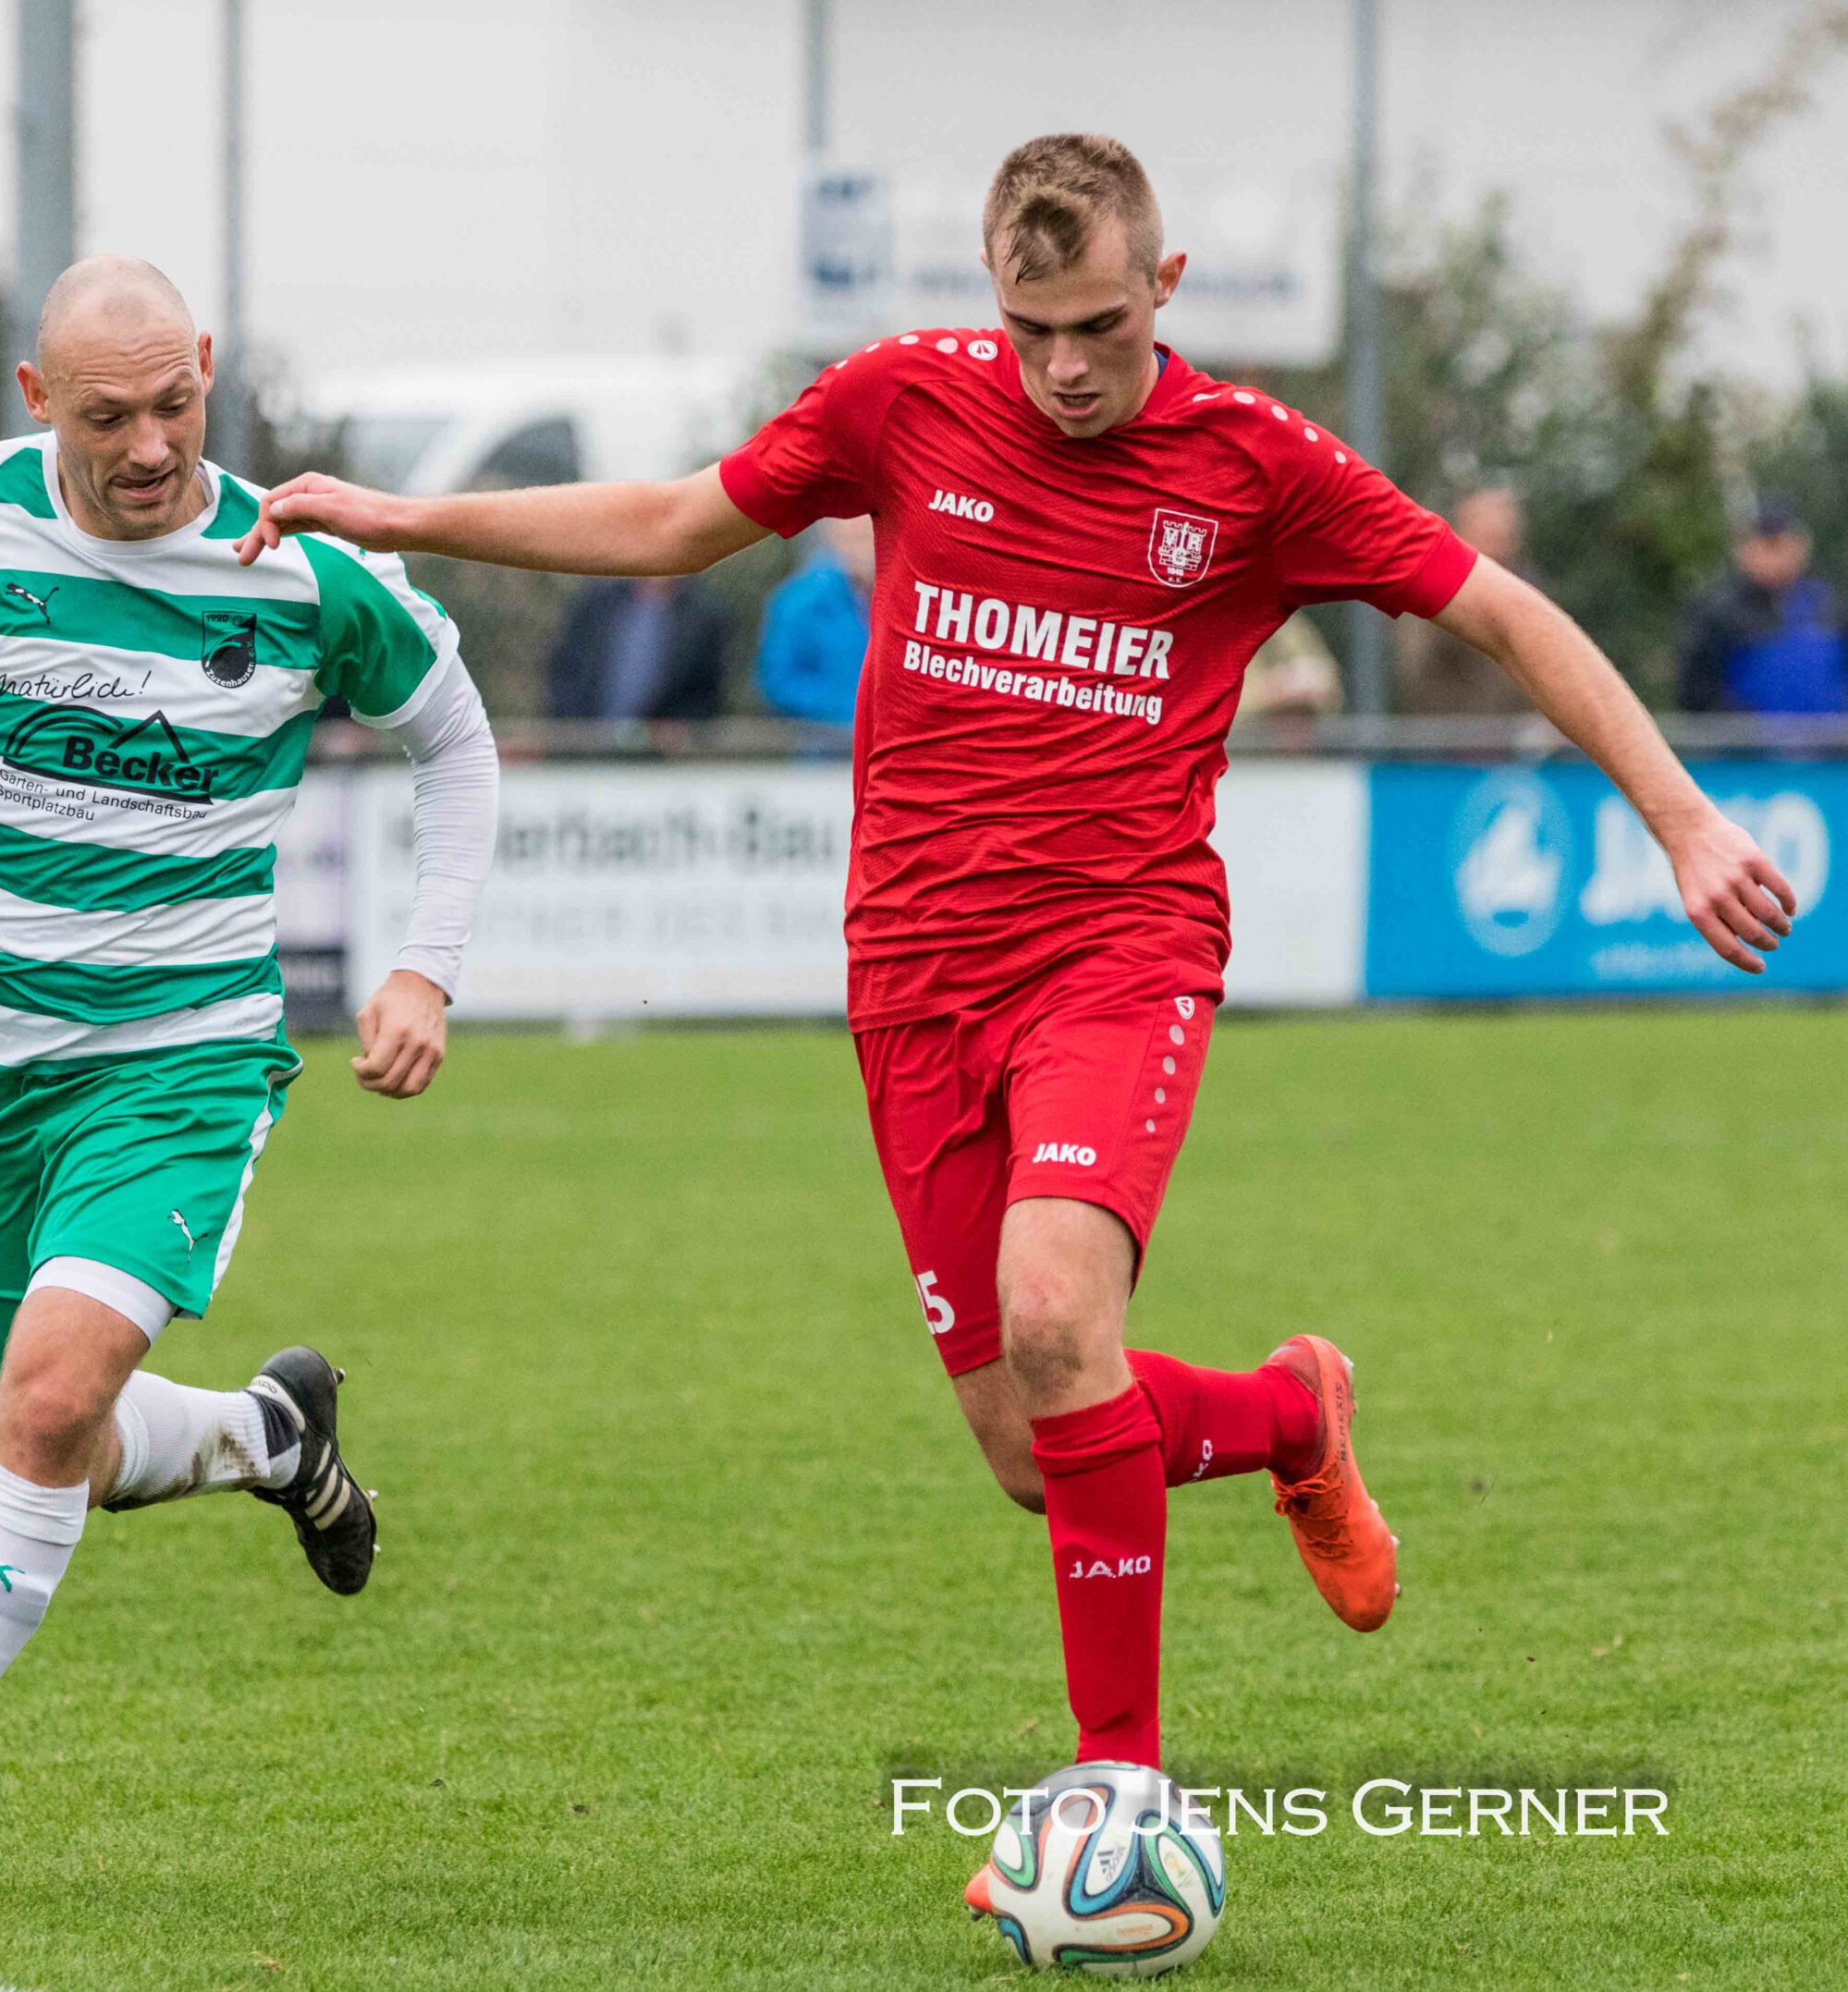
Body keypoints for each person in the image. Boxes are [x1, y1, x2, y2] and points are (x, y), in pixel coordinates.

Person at [239, 133, 1793, 1879]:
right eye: (1031, 326)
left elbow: (1501, 611)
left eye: (1102, 326)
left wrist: (1682, 816)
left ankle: (1116, 1796)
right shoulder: (904, 403)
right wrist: (401, 517)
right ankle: (1289, 1413)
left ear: (1166, 289)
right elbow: (677, 521)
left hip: (1118, 954)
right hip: (912, 980)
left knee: (1058, 1321)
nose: (1064, 366)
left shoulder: (1258, 464)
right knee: (1034, 1453)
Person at [0, 255, 498, 1898]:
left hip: (180, 1065)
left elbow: (455, 738)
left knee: (39, 1407)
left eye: (177, 404)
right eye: (110, 418)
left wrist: (426, 961)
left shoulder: (301, 566)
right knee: (50, 1442)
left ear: (208, 367)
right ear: (36, 400)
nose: (153, 446)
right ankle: (269, 1436)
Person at [1678, 498, 1847, 716]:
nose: (1771, 558)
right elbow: (1695, 692)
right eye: (1764, 546)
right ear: (1743, 550)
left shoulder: (1828, 605)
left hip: (1830, 737)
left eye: (1779, 545)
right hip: (1747, 737)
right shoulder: (1716, 612)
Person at [1394, 485, 1536, 717]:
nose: (1496, 527)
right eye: (1483, 519)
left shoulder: (1528, 588)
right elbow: (1418, 667)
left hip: (1518, 727)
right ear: (1461, 527)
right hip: (1452, 724)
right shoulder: (1433, 585)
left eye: (1502, 520)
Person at [545, 572, 726, 721]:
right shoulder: (598, 601)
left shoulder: (702, 617)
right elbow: (566, 666)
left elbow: (704, 691)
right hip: (584, 738)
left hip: (654, 748)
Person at [754, 512, 871, 729]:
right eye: (855, 536)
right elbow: (778, 681)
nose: (862, 549)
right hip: (823, 739)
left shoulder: (906, 593)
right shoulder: (799, 599)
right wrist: (851, 709)